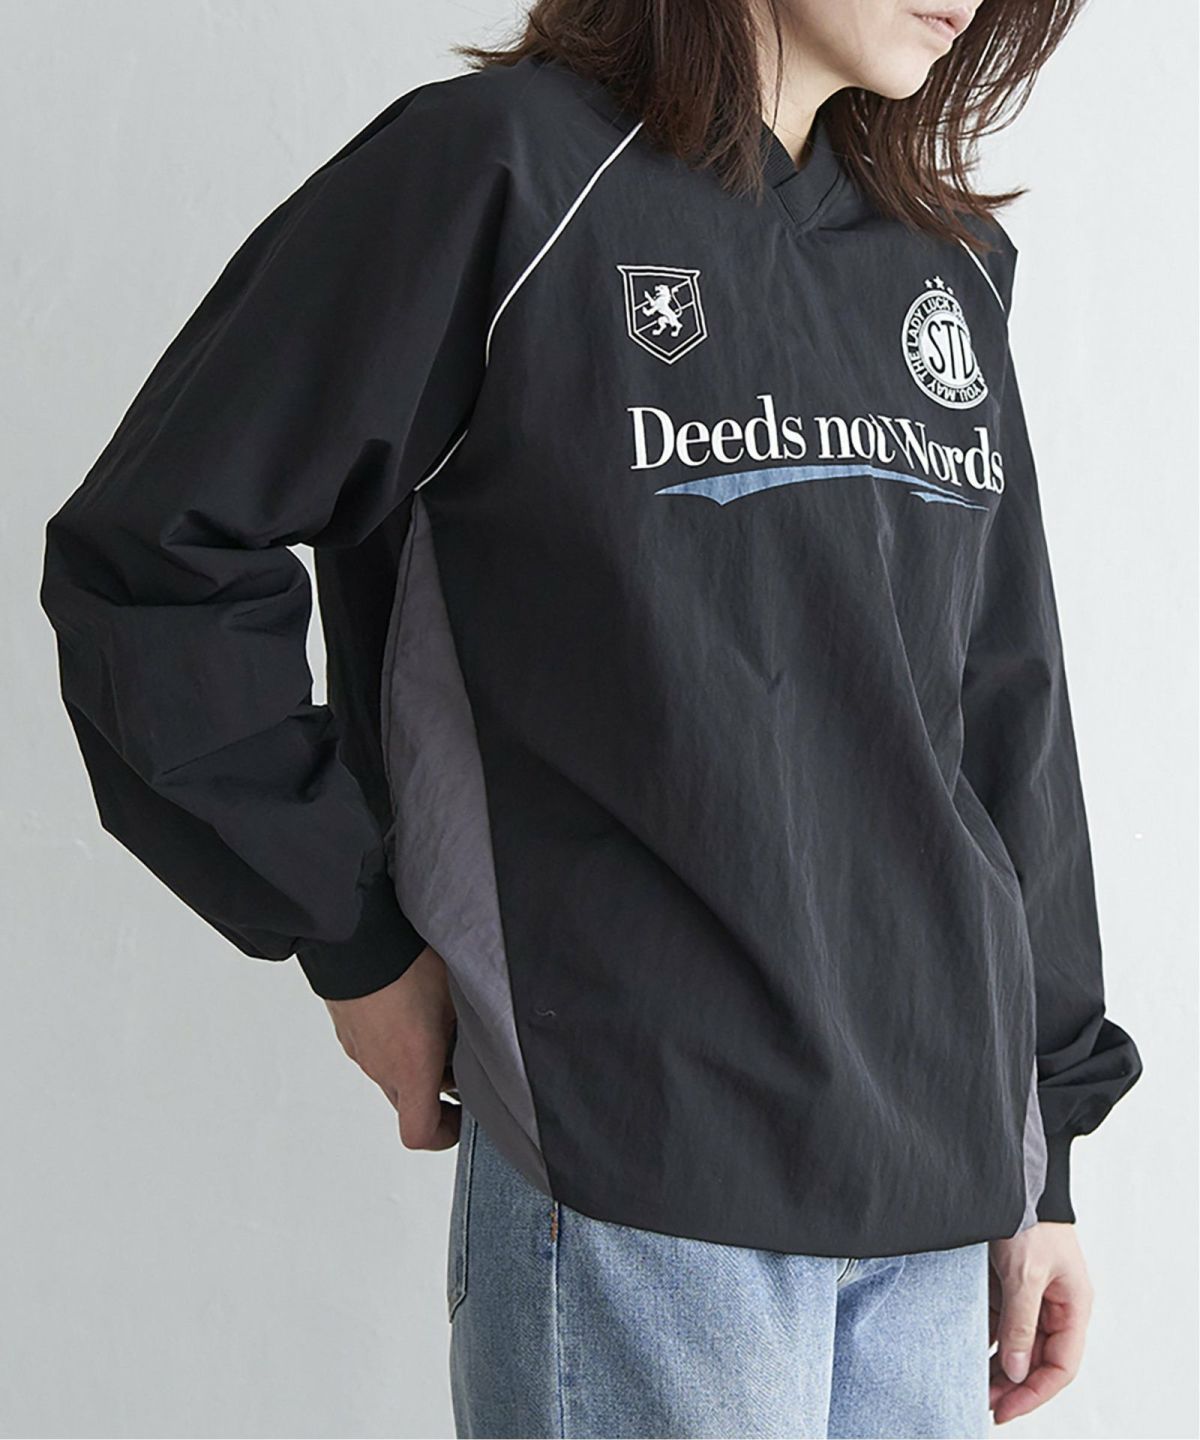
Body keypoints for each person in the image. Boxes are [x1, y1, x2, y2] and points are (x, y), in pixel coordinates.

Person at [39, 0, 1144, 1435]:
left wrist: (1046, 1155)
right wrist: (352, 938)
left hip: (937, 1199)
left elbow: (1005, 712)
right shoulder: (501, 178)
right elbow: (156, 558)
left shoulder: (946, 264)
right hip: (637, 1167)